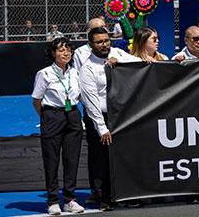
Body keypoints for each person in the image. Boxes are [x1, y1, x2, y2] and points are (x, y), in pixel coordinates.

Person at [79, 27, 137, 210]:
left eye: (106, 40)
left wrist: (119, 61)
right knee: (101, 158)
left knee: (124, 156)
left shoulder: (118, 53)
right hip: (99, 117)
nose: (104, 45)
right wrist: (102, 128)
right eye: (99, 42)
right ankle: (103, 197)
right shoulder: (87, 68)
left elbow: (140, 62)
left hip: (120, 116)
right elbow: (91, 102)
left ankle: (124, 194)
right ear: (90, 45)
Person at [32, 38, 85, 215]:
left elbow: (81, 96)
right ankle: (53, 200)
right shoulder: (44, 74)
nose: (66, 53)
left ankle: (70, 199)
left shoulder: (76, 73)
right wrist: (47, 118)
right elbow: (37, 100)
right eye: (61, 50)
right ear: (53, 53)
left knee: (72, 159)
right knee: (52, 160)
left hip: (73, 116)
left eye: (68, 49)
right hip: (52, 115)